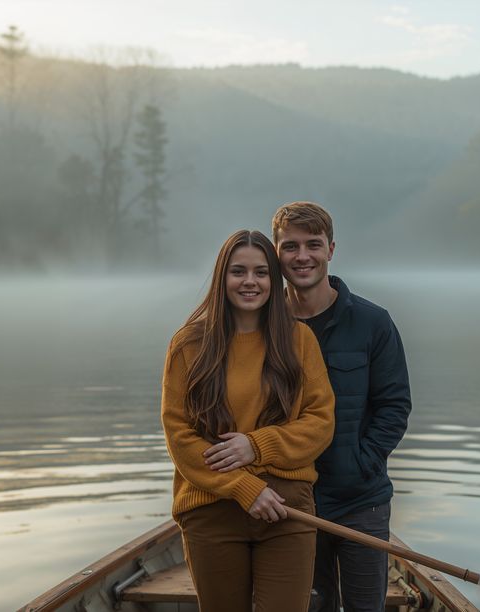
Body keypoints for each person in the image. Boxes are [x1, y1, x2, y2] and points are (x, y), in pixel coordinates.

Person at [160, 229, 335, 611]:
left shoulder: (299, 339)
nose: (250, 282)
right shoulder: (189, 344)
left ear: (274, 279)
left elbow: (320, 421)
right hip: (211, 508)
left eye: (261, 272)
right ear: (223, 277)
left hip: (286, 508)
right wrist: (243, 487)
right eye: (239, 271)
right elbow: (179, 434)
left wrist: (256, 446)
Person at [271, 202, 412, 612]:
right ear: (276, 253)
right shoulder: (263, 326)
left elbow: (394, 406)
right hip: (293, 503)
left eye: (312, 245)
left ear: (331, 249)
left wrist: (360, 463)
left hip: (361, 501)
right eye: (290, 246)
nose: (302, 257)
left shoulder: (373, 322)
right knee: (308, 608)